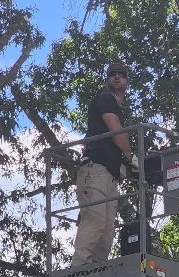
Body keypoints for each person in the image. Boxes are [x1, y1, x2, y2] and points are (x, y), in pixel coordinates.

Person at [71, 62, 136, 266]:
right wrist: (131, 156)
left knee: (108, 228)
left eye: (121, 75)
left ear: (127, 81)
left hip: (110, 175)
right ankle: (80, 265)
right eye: (112, 74)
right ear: (108, 79)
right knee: (96, 219)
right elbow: (114, 128)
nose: (117, 77)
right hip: (95, 170)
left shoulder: (117, 107)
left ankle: (97, 268)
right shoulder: (106, 99)